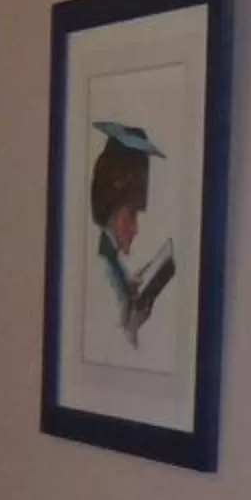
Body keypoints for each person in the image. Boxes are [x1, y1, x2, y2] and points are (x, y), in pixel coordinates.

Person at [90, 120, 174, 346]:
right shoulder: (102, 271)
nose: (135, 229)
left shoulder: (109, 263)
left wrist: (129, 286)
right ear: (111, 209)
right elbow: (115, 340)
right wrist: (134, 319)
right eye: (131, 215)